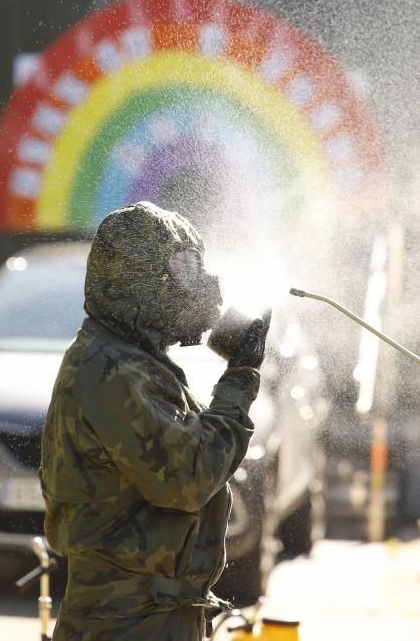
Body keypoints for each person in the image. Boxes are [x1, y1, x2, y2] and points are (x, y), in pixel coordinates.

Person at [40, 201, 269, 641]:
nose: (197, 284)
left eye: (194, 266)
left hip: (149, 613)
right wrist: (240, 376)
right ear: (135, 281)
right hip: (127, 621)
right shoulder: (111, 369)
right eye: (181, 269)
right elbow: (188, 477)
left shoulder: (130, 361)